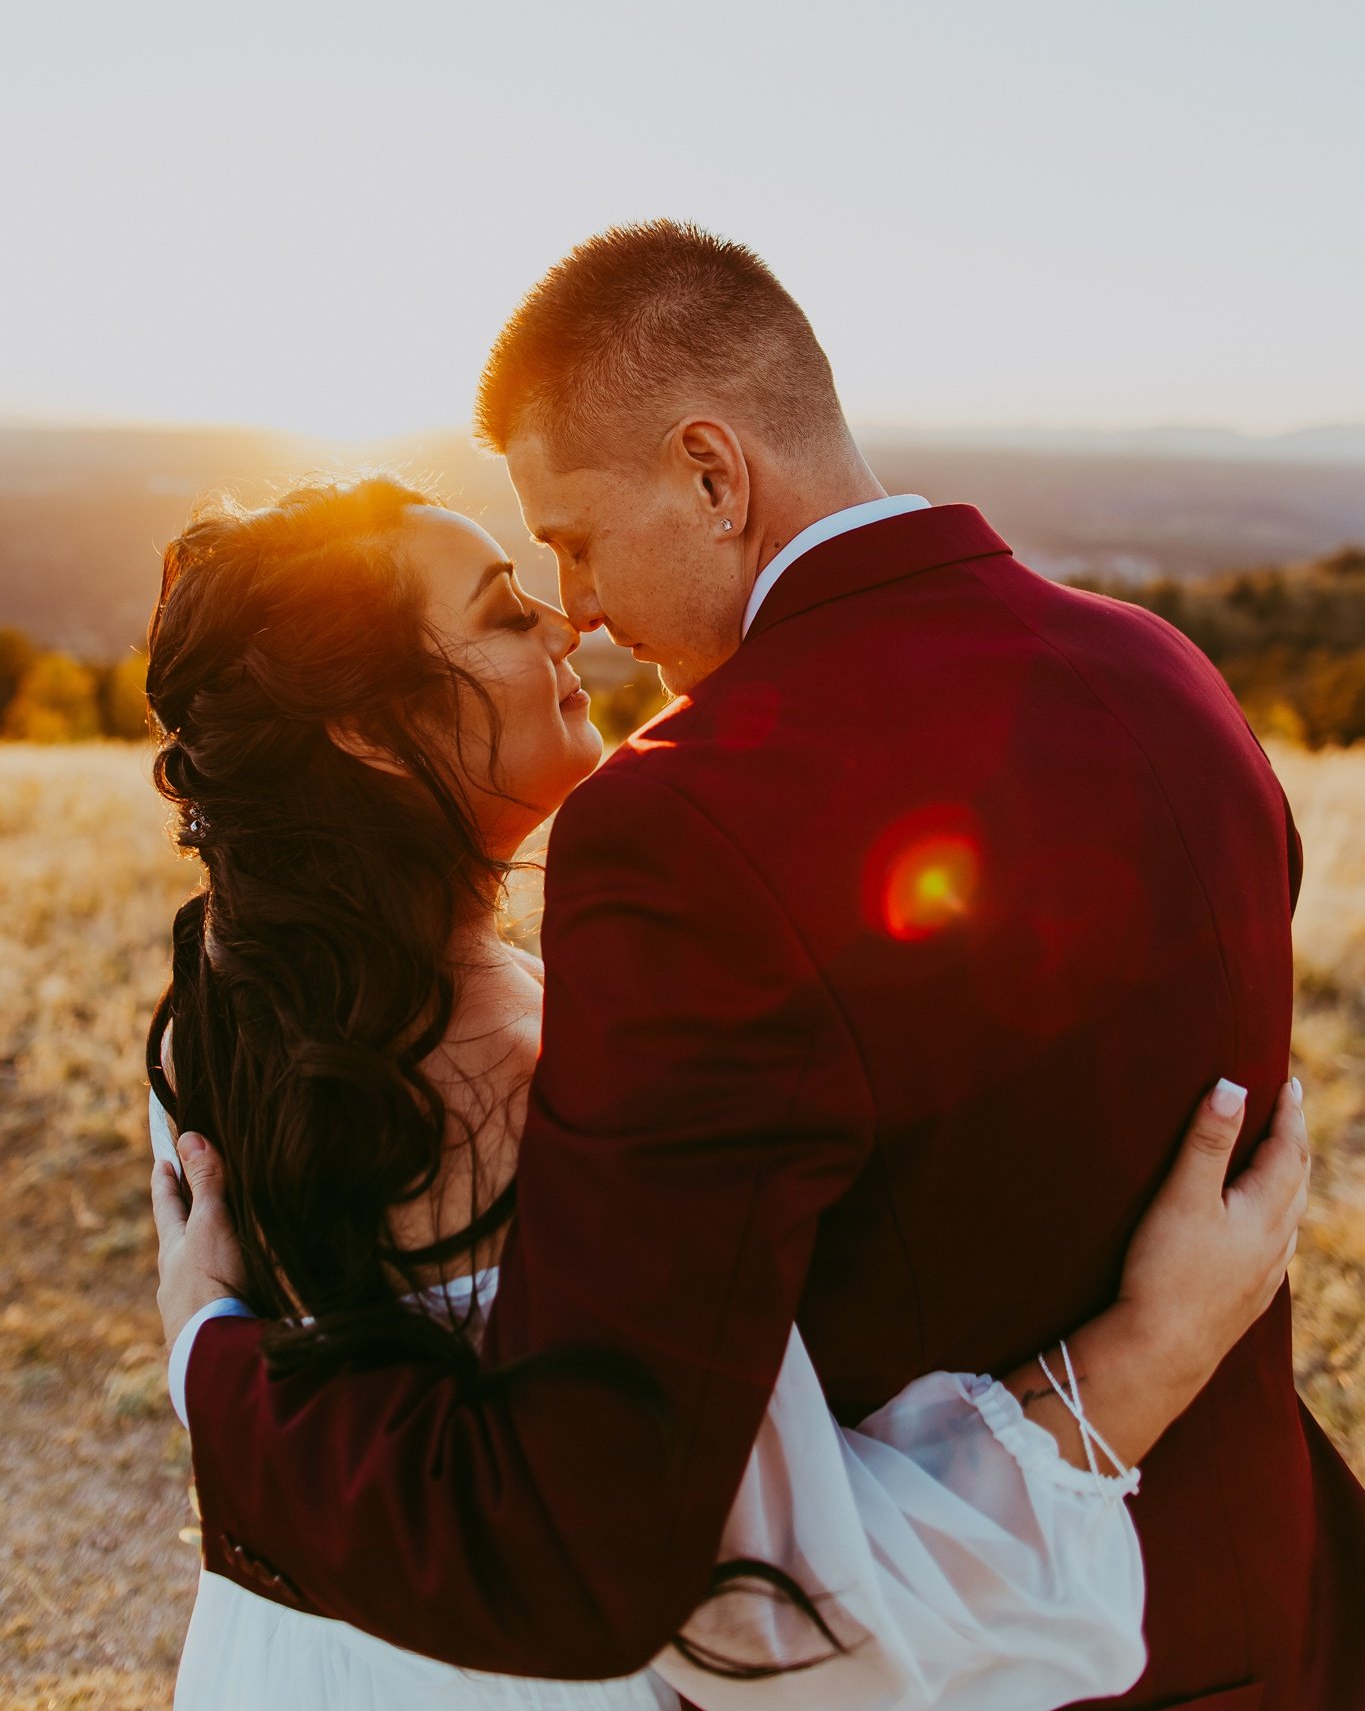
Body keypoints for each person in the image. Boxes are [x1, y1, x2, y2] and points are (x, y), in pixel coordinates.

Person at [152, 224, 1365, 1711]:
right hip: (1268, 1605)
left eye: (577, 543)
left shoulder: (682, 826)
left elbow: (595, 1541)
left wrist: (210, 1360)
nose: (575, 609)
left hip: (992, 1664)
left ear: (713, 475)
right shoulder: (1163, 671)